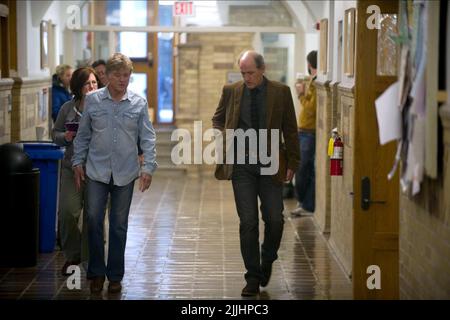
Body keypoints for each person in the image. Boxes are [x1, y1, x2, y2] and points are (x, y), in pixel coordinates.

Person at [212, 50, 300, 296]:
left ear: (262, 70)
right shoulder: (231, 91)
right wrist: (224, 138)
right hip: (242, 166)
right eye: (243, 73)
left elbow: (291, 128)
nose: (247, 78)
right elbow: (217, 119)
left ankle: (267, 258)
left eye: (250, 73)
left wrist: (294, 161)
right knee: (248, 222)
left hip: (271, 164)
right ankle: (252, 276)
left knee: (275, 218)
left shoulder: (281, 92)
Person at [72, 53, 157, 294]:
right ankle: (97, 272)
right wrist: (78, 161)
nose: (123, 79)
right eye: (118, 75)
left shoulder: (138, 104)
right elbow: (83, 135)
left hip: (125, 173)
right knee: (93, 219)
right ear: (106, 76)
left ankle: (115, 275)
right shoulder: (94, 101)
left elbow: (148, 138)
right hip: (97, 171)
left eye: (127, 75)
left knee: (119, 225)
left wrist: (148, 168)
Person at [52, 67, 99, 275]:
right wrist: (66, 138)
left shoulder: (103, 109)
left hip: (96, 171)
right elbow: (56, 134)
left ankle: (90, 264)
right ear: (78, 88)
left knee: (92, 218)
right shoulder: (67, 109)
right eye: (88, 83)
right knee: (67, 214)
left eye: (95, 83)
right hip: (71, 169)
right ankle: (74, 254)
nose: (92, 87)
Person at [291, 50, 317, 216]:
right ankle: (305, 203)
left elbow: (310, 108)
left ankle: (306, 205)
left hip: (309, 131)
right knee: (304, 169)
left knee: (303, 169)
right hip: (305, 131)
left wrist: (300, 94)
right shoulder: (312, 81)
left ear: (309, 64)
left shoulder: (316, 83)